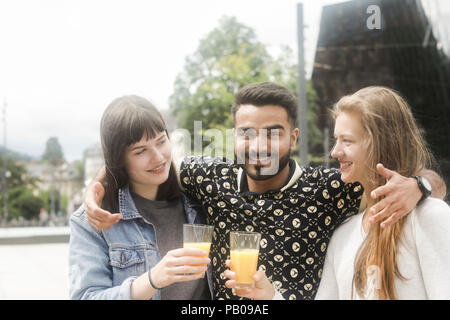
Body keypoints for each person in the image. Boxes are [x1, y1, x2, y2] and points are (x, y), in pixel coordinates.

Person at [83, 82, 445, 300]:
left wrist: (420, 185)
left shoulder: (333, 187)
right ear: (234, 136)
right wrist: (96, 189)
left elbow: (418, 177)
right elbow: (145, 160)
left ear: (293, 137)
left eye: (273, 132)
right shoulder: (209, 176)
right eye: (247, 133)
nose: (259, 145)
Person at [225, 86, 449, 300]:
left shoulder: (430, 217)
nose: (335, 152)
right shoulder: (344, 234)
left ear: (381, 143)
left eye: (347, 141)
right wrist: (270, 295)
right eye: (336, 139)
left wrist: (421, 184)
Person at [68, 95, 213, 300]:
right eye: (140, 151)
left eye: (161, 141)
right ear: (119, 159)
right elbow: (85, 296)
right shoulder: (93, 220)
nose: (158, 157)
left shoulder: (199, 199)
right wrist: (152, 280)